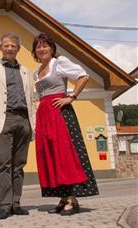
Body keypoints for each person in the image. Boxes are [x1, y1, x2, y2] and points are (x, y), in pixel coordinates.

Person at [32, 32, 99, 216]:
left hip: (60, 113)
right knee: (50, 154)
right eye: (38, 46)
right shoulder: (36, 72)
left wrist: (71, 97)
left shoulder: (59, 62)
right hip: (44, 114)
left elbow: (83, 76)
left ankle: (72, 199)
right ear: (35, 51)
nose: (42, 48)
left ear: (52, 48)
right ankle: (62, 197)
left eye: (45, 45)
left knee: (64, 153)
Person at [0, 32, 36, 220]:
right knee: (4, 164)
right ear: (1, 48)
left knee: (19, 165)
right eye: (6, 45)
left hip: (24, 121)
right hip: (3, 120)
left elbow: (32, 100)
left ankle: (16, 203)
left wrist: (33, 123)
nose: (10, 48)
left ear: (18, 48)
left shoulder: (25, 71)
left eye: (13, 45)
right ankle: (4, 205)